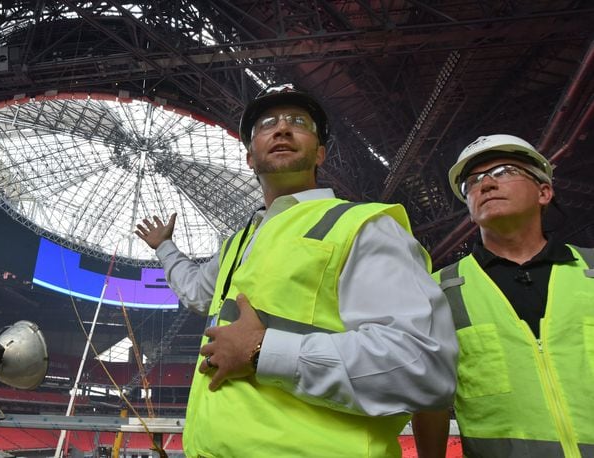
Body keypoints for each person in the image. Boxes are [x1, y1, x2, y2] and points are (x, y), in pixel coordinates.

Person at [135, 83, 457, 457]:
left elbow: (424, 364)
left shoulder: (361, 226)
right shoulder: (239, 243)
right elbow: (194, 290)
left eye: (299, 122)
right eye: (267, 123)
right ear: (250, 158)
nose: (283, 128)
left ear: (319, 154)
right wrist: (164, 247)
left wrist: (263, 350)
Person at [412, 134, 594, 457]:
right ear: (469, 209)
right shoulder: (437, 290)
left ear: (544, 192)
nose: (486, 185)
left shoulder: (591, 270)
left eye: (504, 171)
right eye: (473, 182)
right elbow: (430, 401)